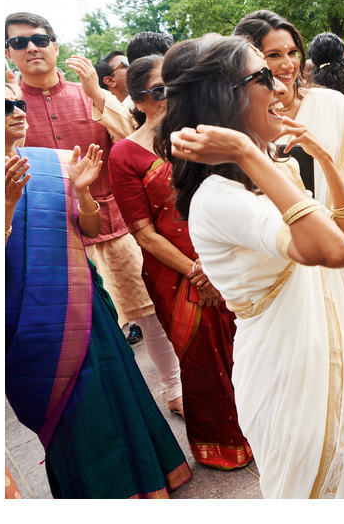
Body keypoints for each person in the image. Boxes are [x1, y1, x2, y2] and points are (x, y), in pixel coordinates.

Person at [158, 35, 344, 498]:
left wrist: (324, 158)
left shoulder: (276, 171)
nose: (281, 87)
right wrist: (246, 153)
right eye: (264, 76)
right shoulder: (218, 200)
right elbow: (332, 252)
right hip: (287, 372)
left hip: (326, 351)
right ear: (227, 97)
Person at [5, 85, 191, 498]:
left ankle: (153, 476)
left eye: (18, 102)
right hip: (27, 323)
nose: (17, 111)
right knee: (78, 410)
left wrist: (83, 189)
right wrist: (4, 206)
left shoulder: (50, 163)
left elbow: (87, 230)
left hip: (83, 301)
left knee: (118, 384)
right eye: (3, 106)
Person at [6, 11, 182, 414]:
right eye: (19, 42)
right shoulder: (9, 106)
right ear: (8, 53)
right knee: (82, 334)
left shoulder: (88, 93)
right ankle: (123, 410)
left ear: (55, 44)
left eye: (40, 38)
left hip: (116, 225)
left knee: (150, 313)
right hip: (51, 239)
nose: (31, 47)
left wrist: (97, 94)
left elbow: (133, 136)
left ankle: (173, 391)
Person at [108, 51, 253, 470]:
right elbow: (144, 233)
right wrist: (196, 270)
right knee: (202, 362)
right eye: (157, 91)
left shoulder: (201, 135)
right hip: (177, 273)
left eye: (172, 87)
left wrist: (220, 260)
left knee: (245, 349)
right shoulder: (125, 155)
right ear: (137, 101)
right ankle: (222, 445)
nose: (167, 97)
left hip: (226, 257)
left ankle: (266, 430)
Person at [234, 13, 344, 397]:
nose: (286, 64)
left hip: (340, 245)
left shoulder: (332, 104)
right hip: (285, 258)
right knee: (311, 374)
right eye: (272, 55)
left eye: (291, 52)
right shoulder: (241, 122)